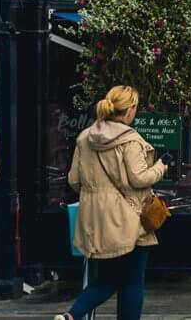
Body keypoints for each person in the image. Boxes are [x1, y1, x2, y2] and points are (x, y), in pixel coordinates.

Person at [55, 85, 168, 320]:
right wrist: (161, 166)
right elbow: (139, 178)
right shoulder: (130, 141)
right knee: (132, 281)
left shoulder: (85, 137)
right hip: (130, 220)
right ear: (130, 110)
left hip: (97, 221)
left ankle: (70, 316)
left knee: (107, 278)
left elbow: (74, 180)